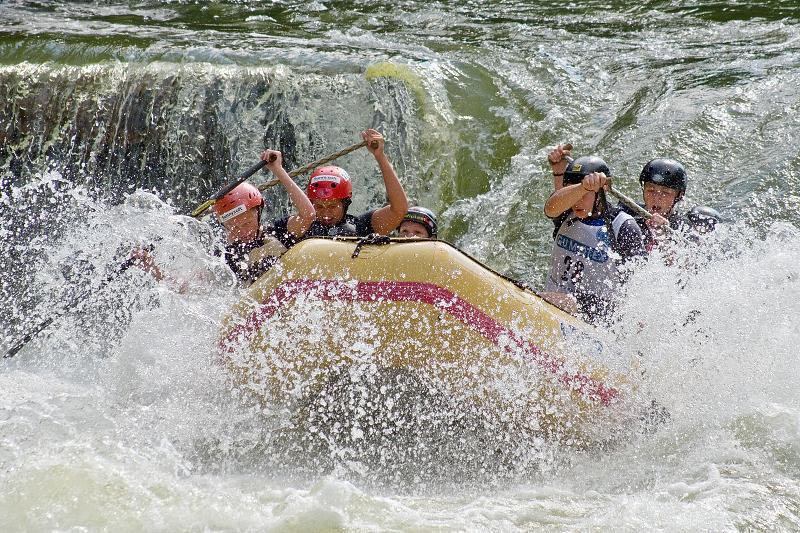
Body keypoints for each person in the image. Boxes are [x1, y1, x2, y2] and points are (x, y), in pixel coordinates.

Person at [133, 149, 314, 286]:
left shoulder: (280, 231)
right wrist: (151, 266)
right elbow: (183, 287)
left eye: (247, 223)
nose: (243, 231)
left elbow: (308, 214)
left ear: (259, 212)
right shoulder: (225, 258)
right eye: (234, 227)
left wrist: (278, 170)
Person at [540, 155, 645, 324]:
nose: (577, 202)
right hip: (553, 304)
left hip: (600, 315)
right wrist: (583, 187)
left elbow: (639, 286)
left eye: (585, 195)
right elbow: (550, 209)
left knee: (560, 300)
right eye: (575, 194)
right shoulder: (566, 211)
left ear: (601, 192)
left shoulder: (623, 226)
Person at [267, 129, 409, 247]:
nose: (326, 213)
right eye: (319, 206)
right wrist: (278, 170)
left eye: (333, 206)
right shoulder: (301, 225)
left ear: (346, 203)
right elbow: (307, 215)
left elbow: (399, 210)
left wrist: (380, 157)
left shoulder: (361, 226)